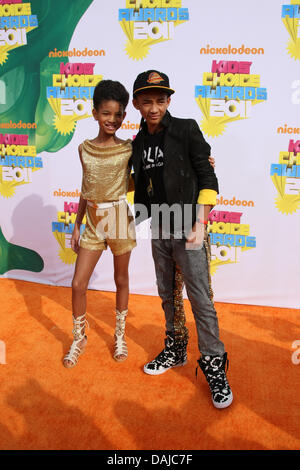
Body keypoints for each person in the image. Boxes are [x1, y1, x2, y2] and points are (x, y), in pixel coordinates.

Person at [131, 70, 233, 409]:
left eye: (160, 100)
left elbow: (208, 175)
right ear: (136, 104)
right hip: (159, 226)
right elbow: (140, 180)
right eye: (147, 101)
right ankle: (176, 349)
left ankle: (214, 364)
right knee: (167, 294)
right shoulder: (138, 141)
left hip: (189, 225)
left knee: (200, 298)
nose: (154, 107)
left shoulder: (187, 128)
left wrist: (201, 222)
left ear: (169, 101)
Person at [63, 80, 136, 368]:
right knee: (78, 283)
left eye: (118, 114)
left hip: (118, 218)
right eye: (106, 113)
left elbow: (151, 173)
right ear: (94, 113)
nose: (112, 120)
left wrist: (200, 164)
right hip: (92, 221)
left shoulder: (129, 149)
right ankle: (79, 336)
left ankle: (120, 335)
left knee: (121, 280)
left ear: (124, 116)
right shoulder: (84, 149)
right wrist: (77, 223)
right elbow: (86, 186)